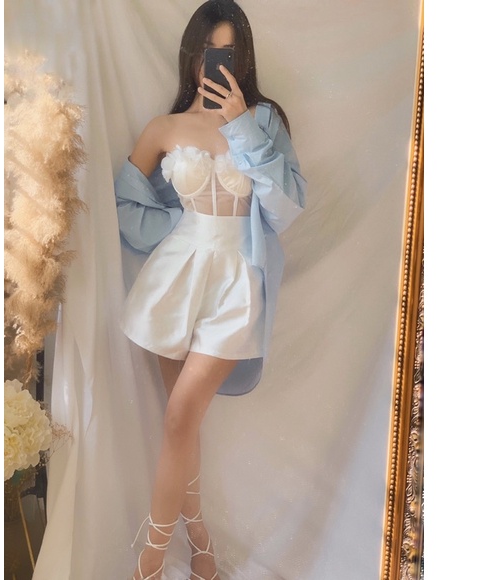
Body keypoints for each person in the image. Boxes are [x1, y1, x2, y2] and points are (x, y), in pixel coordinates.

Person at [114, 1, 307, 578]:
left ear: (242, 58)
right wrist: (180, 227)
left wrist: (242, 123)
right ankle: (199, 541)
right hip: (175, 278)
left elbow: (287, 207)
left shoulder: (265, 121)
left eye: (226, 51)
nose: (214, 62)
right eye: (206, 50)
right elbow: (125, 205)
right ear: (190, 54)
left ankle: (149, 562)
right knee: (183, 423)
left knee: (180, 417)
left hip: (237, 284)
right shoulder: (164, 129)